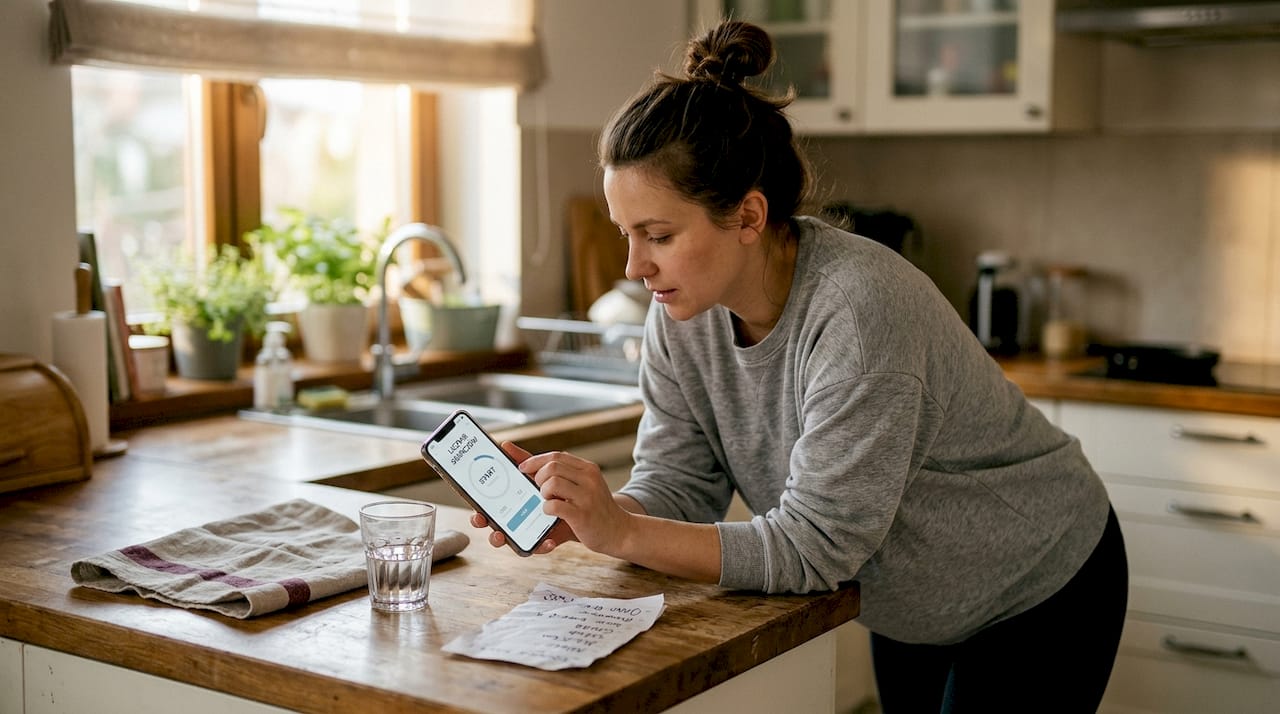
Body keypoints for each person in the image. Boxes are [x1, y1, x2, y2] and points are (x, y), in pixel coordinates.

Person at [472, 19, 1128, 713]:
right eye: (625, 235)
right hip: (915, 604)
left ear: (748, 216)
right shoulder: (681, 314)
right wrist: (590, 516)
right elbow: (680, 485)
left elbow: (813, 550)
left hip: (1035, 584)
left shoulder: (859, 314)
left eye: (658, 235)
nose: (635, 267)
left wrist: (625, 531)